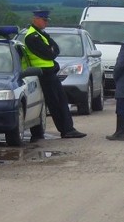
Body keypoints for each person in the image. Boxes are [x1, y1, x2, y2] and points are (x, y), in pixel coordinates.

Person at [23, 9, 86, 140]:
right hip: (44, 74)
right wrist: (51, 50)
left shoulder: (40, 34)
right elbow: (50, 53)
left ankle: (68, 129)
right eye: (44, 20)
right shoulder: (32, 36)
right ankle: (66, 130)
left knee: (61, 101)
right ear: (36, 19)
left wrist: (51, 49)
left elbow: (55, 49)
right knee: (56, 103)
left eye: (46, 20)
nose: (46, 23)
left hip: (50, 73)